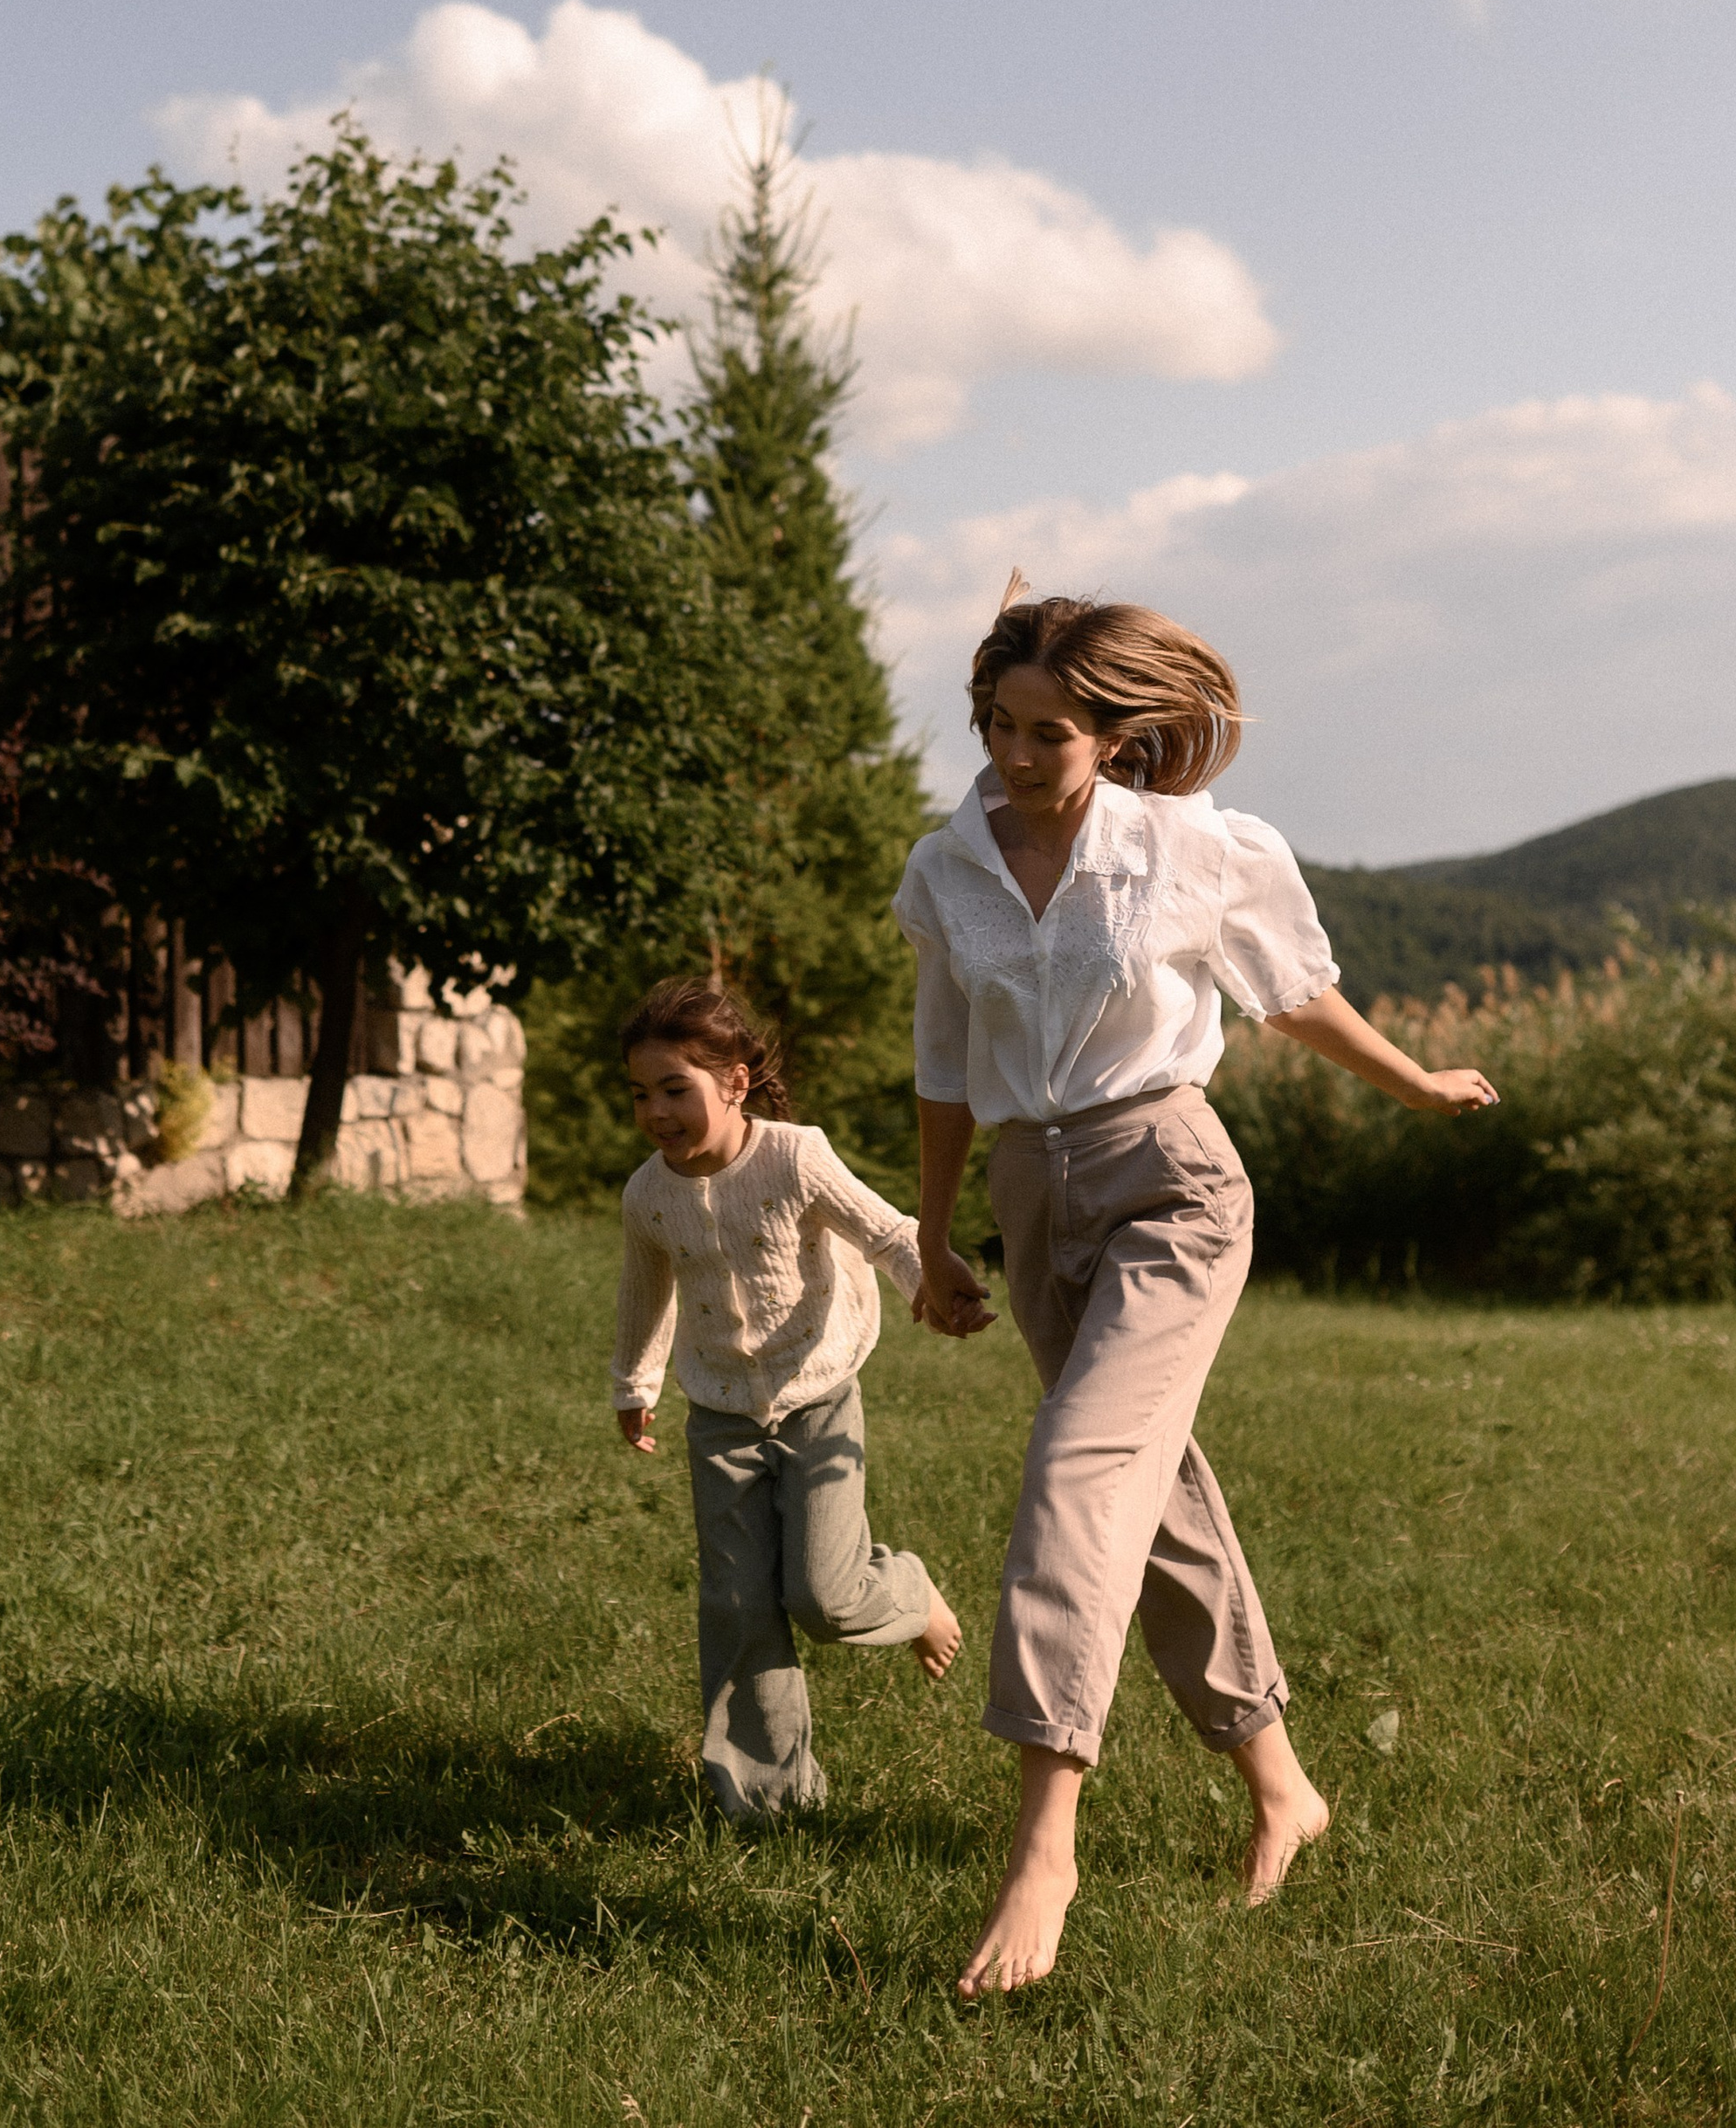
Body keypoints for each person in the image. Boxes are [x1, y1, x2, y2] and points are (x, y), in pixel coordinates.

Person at [899, 586, 1500, 1996]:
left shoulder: (1191, 845)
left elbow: (1288, 993)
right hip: (1032, 1196)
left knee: (1077, 1470)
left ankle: (1046, 1836)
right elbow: (942, 1060)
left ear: (1114, 732)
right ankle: (1285, 1784)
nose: (1020, 749)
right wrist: (933, 1238)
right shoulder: (945, 865)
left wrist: (1413, 1079)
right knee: (1152, 1503)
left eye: (1051, 728)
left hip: (1171, 1176)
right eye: (1000, 723)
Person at [610, 974, 967, 1819]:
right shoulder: (648, 1195)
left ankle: (910, 1594)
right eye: (640, 1094)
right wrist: (635, 1384)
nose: (658, 1112)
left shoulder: (795, 1155)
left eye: (675, 1089)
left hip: (817, 1399)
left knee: (822, 1596)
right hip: (721, 1419)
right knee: (737, 1606)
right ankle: (768, 1799)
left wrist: (930, 1284)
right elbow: (643, 1293)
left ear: (734, 1083)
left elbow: (886, 1231)